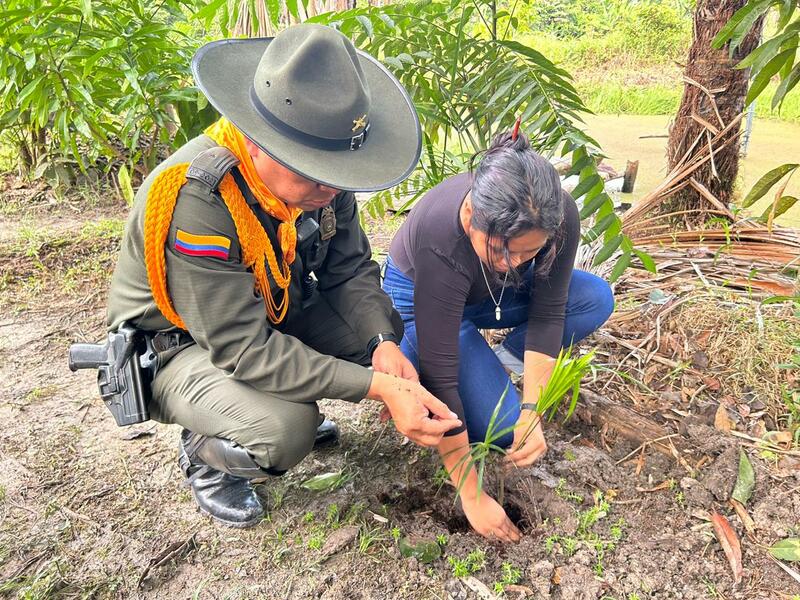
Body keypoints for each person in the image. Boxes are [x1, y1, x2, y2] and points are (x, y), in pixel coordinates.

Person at [105, 24, 461, 528]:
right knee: (288, 430)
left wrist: (381, 346)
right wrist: (375, 388)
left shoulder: (327, 169)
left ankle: (278, 394)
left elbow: (350, 270)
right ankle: (206, 451)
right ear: (258, 141)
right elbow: (243, 348)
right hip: (182, 342)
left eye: (334, 172)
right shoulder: (199, 199)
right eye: (310, 171)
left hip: (276, 305)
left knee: (389, 344)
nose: (329, 188)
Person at [382, 125, 614, 541]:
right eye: (503, 250)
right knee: (500, 427)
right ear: (471, 215)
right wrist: (471, 496)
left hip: (491, 294)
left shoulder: (554, 215)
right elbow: (444, 378)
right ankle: (418, 346)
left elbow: (548, 314)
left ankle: (498, 360)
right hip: (422, 290)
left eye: (530, 251)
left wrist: (532, 410)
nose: (515, 262)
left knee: (594, 298)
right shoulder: (442, 235)